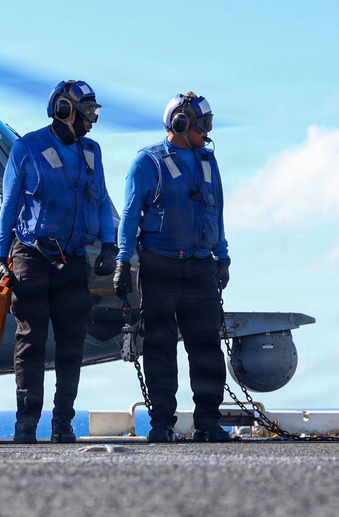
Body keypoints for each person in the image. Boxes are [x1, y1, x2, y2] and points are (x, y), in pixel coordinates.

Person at [0, 80, 117, 444]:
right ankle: (25, 424)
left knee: (72, 342)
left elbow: (101, 200)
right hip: (31, 256)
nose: (92, 122)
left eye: (94, 114)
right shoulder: (27, 148)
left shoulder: (92, 152)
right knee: (31, 341)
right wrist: (1, 257)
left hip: (74, 259)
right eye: (88, 114)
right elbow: (9, 207)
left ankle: (62, 423)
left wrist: (109, 246)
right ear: (65, 111)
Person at [114, 91, 232, 443]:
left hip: (200, 269)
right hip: (160, 267)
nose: (208, 132)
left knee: (207, 347)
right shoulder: (147, 163)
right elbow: (130, 216)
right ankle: (161, 423)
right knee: (160, 347)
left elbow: (217, 211)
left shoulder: (209, 161)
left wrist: (222, 255)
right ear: (180, 124)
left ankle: (207, 422)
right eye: (203, 125)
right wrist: (123, 261)